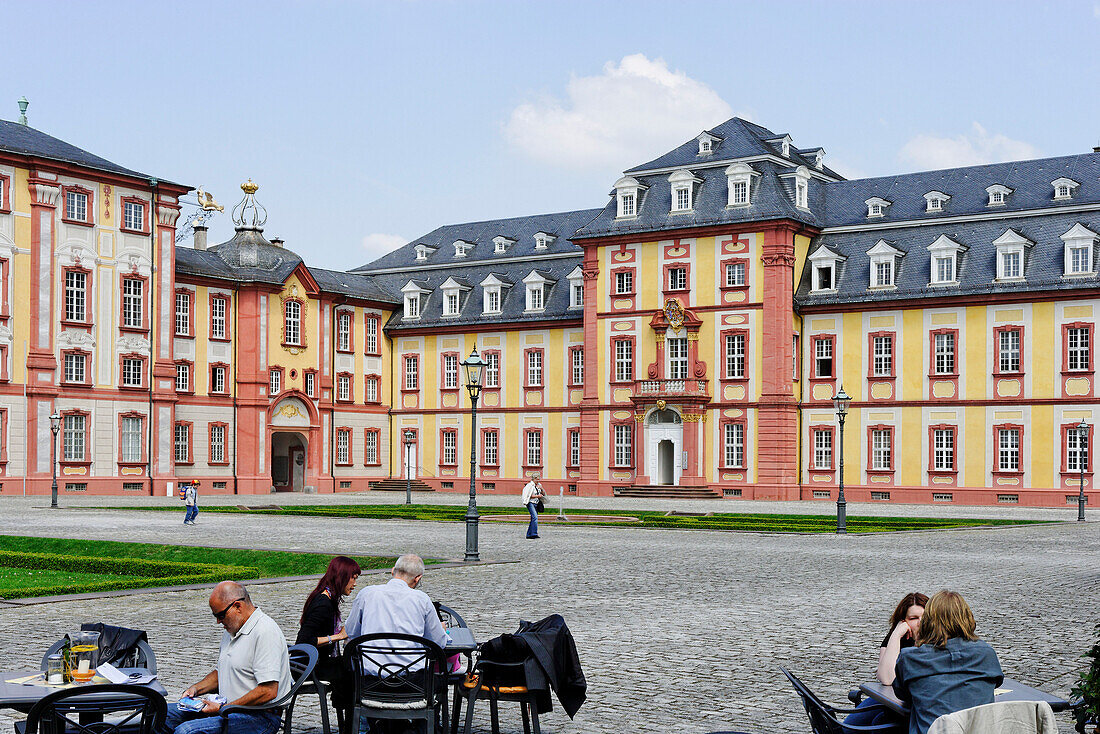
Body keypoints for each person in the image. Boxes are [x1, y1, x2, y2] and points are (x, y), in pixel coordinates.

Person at [162, 581, 293, 734]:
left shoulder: (265, 632)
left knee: (186, 731)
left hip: (260, 716)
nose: (218, 621)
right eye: (215, 616)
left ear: (238, 606)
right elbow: (221, 673)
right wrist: (195, 689)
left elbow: (268, 691)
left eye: (221, 615)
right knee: (160, 713)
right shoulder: (233, 628)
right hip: (228, 709)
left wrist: (224, 708)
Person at [344, 554, 448, 733]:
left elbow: (351, 633)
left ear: (393, 571)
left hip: (370, 684)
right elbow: (438, 643)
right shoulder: (421, 600)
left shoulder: (367, 594)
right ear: (418, 578)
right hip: (412, 686)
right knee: (439, 682)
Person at [894, 590, 1003, 734]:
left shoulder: (911, 658)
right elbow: (995, 683)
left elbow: (902, 693)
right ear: (967, 618)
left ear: (928, 621)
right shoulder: (986, 653)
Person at [845, 592, 928, 730]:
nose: (920, 622)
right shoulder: (898, 637)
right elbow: (886, 678)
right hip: (890, 699)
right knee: (847, 728)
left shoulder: (938, 641)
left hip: (914, 704)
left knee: (878, 724)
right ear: (903, 621)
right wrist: (896, 635)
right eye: (913, 618)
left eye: (925, 617)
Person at [295, 556, 361, 718]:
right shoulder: (323, 603)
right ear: (342, 577)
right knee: (353, 674)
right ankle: (350, 723)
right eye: (353, 578)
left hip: (316, 662)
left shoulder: (328, 598)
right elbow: (304, 640)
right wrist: (337, 637)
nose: (355, 584)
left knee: (351, 668)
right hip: (308, 667)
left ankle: (349, 719)